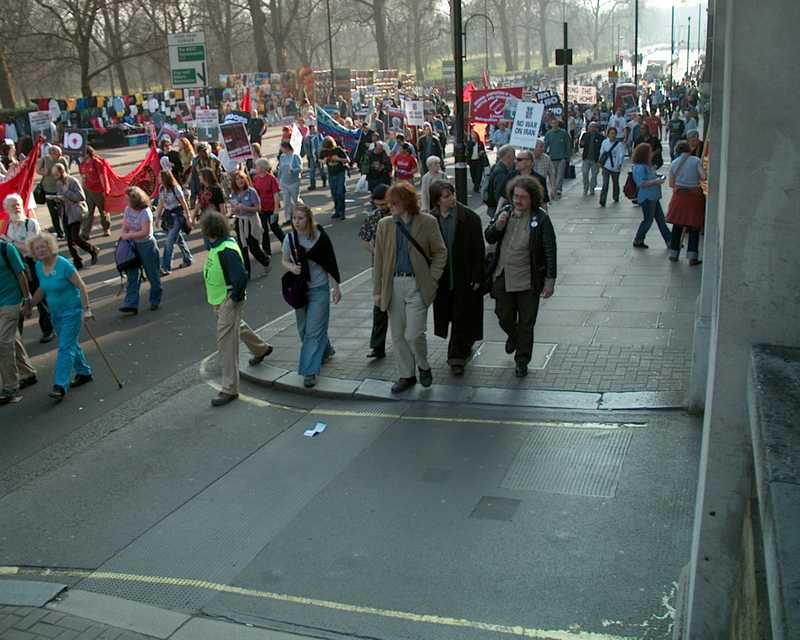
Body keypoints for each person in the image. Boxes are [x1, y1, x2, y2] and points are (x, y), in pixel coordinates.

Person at [372, 182, 447, 393]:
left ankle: (423, 365)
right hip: (393, 284)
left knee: (414, 334)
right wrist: (377, 290)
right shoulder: (385, 225)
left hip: (417, 284)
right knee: (397, 334)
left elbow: (441, 252)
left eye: (394, 203)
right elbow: (378, 259)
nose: (391, 207)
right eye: (389, 203)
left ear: (406, 202)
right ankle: (406, 375)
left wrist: (432, 279)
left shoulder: (428, 222)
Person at [484, 176, 557, 378]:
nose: (517, 200)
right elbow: (489, 236)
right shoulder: (506, 212)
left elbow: (550, 250)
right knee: (503, 314)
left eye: (522, 197)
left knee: (527, 322)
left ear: (532, 198)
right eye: (515, 196)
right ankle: (513, 336)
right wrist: (498, 225)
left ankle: (522, 360)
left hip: (528, 280)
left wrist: (550, 281)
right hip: (503, 275)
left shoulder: (540, 219)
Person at [201, 211, 273, 407]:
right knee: (237, 327)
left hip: (227, 302)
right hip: (221, 302)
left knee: (226, 346)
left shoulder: (225, 250)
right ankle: (261, 348)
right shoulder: (221, 245)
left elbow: (240, 277)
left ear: (209, 232)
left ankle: (230, 388)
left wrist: (232, 301)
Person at [281, 203, 342, 388]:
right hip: (300, 290)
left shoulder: (320, 237)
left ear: (308, 218)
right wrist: (292, 267)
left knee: (312, 332)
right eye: (294, 219)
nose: (296, 222)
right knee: (303, 330)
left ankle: (309, 371)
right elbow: (284, 260)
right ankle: (326, 350)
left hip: (319, 289)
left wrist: (336, 287)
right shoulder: (289, 239)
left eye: (300, 218)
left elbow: (330, 263)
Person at [27, 232, 93, 401]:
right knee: (71, 344)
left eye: (43, 247)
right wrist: (29, 305)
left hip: (72, 312)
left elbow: (81, 286)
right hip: (56, 314)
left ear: (50, 247)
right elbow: (42, 289)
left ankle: (60, 386)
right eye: (37, 248)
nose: (41, 250)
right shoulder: (38, 267)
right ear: (33, 252)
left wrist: (86, 309)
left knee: (65, 347)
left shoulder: (63, 264)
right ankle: (84, 372)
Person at [429, 181, 484, 376]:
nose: (452, 197)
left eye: (452, 193)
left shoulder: (469, 217)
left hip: (464, 276)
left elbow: (479, 250)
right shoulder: (430, 219)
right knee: (449, 314)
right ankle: (464, 345)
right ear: (437, 200)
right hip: (442, 278)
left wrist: (478, 276)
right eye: (446, 196)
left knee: (461, 315)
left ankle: (456, 357)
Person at [1, 195, 53, 342]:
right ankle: (15, 337)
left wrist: (9, 241)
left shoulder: (31, 224)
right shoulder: (6, 226)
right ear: (6, 209)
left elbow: (30, 250)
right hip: (14, 267)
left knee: (40, 298)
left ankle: (48, 329)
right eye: (12, 205)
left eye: (18, 204)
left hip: (31, 265)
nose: (16, 207)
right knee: (17, 301)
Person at [0, 236, 36, 404]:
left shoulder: (6, 248)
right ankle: (28, 373)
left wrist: (27, 299)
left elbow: (21, 274)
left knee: (3, 342)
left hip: (11, 301)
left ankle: (10, 387)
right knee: (11, 339)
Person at [358, 184, 391, 359]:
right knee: (379, 306)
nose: (381, 208)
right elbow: (364, 240)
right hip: (379, 268)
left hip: (401, 268)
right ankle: (378, 347)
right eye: (378, 205)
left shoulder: (401, 215)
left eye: (384, 204)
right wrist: (376, 253)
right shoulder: (373, 217)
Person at [119, 186, 162, 314]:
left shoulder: (145, 212)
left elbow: (145, 232)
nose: (125, 202)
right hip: (133, 246)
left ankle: (155, 300)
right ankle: (131, 304)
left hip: (147, 245)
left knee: (152, 274)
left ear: (135, 200)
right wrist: (124, 235)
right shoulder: (128, 209)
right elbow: (125, 225)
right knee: (132, 275)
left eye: (127, 200)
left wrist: (129, 235)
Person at [666, 140, 707, 265]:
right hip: (694, 198)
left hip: (679, 198)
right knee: (694, 226)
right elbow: (703, 176)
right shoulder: (695, 161)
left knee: (677, 226)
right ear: (689, 149)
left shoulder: (674, 163)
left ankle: (674, 253)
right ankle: (692, 256)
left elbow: (671, 184)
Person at [52, 163, 99, 270]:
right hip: (65, 213)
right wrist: (57, 199)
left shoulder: (72, 181)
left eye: (56, 174)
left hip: (76, 213)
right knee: (69, 240)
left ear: (61, 172)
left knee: (75, 237)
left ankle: (93, 250)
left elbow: (81, 197)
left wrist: (66, 192)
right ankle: (77, 262)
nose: (54, 176)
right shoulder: (59, 183)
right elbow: (62, 196)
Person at [229, 169, 271, 276]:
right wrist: (234, 210)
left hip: (251, 222)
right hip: (240, 222)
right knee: (243, 248)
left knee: (254, 248)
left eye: (241, 178)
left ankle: (266, 261)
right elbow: (233, 209)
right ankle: (246, 273)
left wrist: (245, 208)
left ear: (245, 179)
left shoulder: (251, 191)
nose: (239, 181)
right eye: (237, 179)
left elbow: (258, 208)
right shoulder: (234, 194)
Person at [631, 143, 671, 249]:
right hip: (647, 197)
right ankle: (638, 239)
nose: (651, 154)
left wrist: (655, 175)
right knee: (648, 220)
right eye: (649, 152)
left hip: (653, 197)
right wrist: (656, 181)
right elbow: (641, 183)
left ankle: (670, 240)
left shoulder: (645, 166)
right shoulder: (640, 167)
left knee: (661, 220)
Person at [154, 170, 193, 275]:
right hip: (168, 217)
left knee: (169, 242)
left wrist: (189, 217)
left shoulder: (175, 188)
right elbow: (161, 204)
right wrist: (157, 218)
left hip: (177, 216)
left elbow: (184, 203)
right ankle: (188, 259)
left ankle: (166, 267)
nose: (158, 179)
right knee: (178, 240)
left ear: (165, 179)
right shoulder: (162, 189)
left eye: (160, 177)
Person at [252, 158, 284, 260]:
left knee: (274, 227)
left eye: (256, 166)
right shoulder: (256, 179)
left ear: (262, 168)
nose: (255, 168)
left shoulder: (271, 179)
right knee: (264, 230)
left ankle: (286, 243)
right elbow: (255, 194)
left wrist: (275, 210)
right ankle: (267, 251)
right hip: (262, 209)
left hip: (272, 208)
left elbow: (276, 195)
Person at [78, 146, 111, 239]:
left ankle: (106, 229)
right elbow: (83, 177)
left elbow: (102, 176)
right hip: (88, 191)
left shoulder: (96, 162)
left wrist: (104, 190)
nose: (81, 155)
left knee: (103, 211)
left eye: (83, 153)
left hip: (98, 190)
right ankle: (85, 233)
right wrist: (82, 191)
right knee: (89, 213)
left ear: (88, 153)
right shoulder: (82, 164)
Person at [38, 145, 69, 238]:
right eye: (57, 154)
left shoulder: (63, 160)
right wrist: (44, 172)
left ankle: (67, 231)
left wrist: (63, 178)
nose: (59, 155)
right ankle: (59, 232)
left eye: (60, 153)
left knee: (63, 212)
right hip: (48, 190)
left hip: (60, 190)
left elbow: (68, 173)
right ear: (51, 153)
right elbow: (38, 170)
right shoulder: (45, 159)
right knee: (53, 213)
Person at [319, 137, 349, 220]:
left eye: (329, 147)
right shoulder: (324, 151)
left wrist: (338, 159)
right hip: (331, 174)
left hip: (340, 172)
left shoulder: (338, 150)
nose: (328, 150)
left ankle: (342, 212)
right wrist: (323, 161)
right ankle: (337, 211)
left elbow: (348, 160)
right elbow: (320, 160)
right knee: (334, 193)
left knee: (340, 192)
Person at [485, 144, 517, 219]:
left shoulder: (497, 167)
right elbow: (499, 196)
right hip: (497, 209)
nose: (515, 158)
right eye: (514, 155)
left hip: (494, 207)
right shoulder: (501, 173)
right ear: (508, 157)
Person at [543, 119, 572, 198]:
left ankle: (558, 189)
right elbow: (545, 145)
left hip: (562, 158)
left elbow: (567, 145)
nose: (554, 124)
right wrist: (543, 154)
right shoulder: (548, 134)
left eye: (555, 123)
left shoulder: (563, 133)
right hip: (552, 157)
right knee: (553, 175)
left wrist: (568, 156)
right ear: (551, 124)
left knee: (560, 175)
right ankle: (554, 189)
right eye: (552, 123)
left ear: (558, 124)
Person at [598, 127, 625, 207]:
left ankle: (615, 196)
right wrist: (600, 162)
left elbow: (621, 155)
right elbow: (602, 152)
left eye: (614, 133)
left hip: (615, 166)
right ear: (608, 134)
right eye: (611, 133)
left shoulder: (619, 145)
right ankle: (602, 200)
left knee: (615, 183)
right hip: (606, 165)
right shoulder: (604, 142)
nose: (612, 135)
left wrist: (620, 163)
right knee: (605, 184)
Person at [276, 140, 302, 224]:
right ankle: (288, 218)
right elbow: (280, 169)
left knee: (295, 200)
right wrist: (278, 180)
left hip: (294, 182)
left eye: (282, 147)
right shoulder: (282, 156)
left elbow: (300, 169)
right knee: (286, 201)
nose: (281, 149)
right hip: (284, 182)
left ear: (287, 147)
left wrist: (293, 170)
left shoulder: (295, 156)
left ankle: (303, 211)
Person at [190, 143, 222, 207]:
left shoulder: (214, 159)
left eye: (205, 150)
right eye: (202, 151)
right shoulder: (196, 162)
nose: (204, 153)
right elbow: (194, 176)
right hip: (203, 186)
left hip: (214, 185)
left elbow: (219, 173)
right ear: (198, 153)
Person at [579, 121, 604, 197]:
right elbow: (581, 145)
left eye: (594, 127)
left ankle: (592, 188)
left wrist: (600, 160)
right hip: (586, 158)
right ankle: (585, 187)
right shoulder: (585, 135)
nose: (592, 128)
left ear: (596, 128)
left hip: (595, 159)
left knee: (594, 175)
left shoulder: (600, 137)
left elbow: (603, 149)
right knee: (585, 173)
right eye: (590, 127)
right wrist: (581, 143)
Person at [301, 123, 325, 190]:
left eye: (314, 128)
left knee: (321, 170)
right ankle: (312, 185)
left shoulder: (319, 136)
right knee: (312, 171)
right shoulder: (307, 138)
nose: (313, 130)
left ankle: (324, 180)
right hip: (312, 157)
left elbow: (323, 143)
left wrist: (321, 152)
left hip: (319, 156)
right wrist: (308, 154)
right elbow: (305, 147)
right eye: (312, 129)